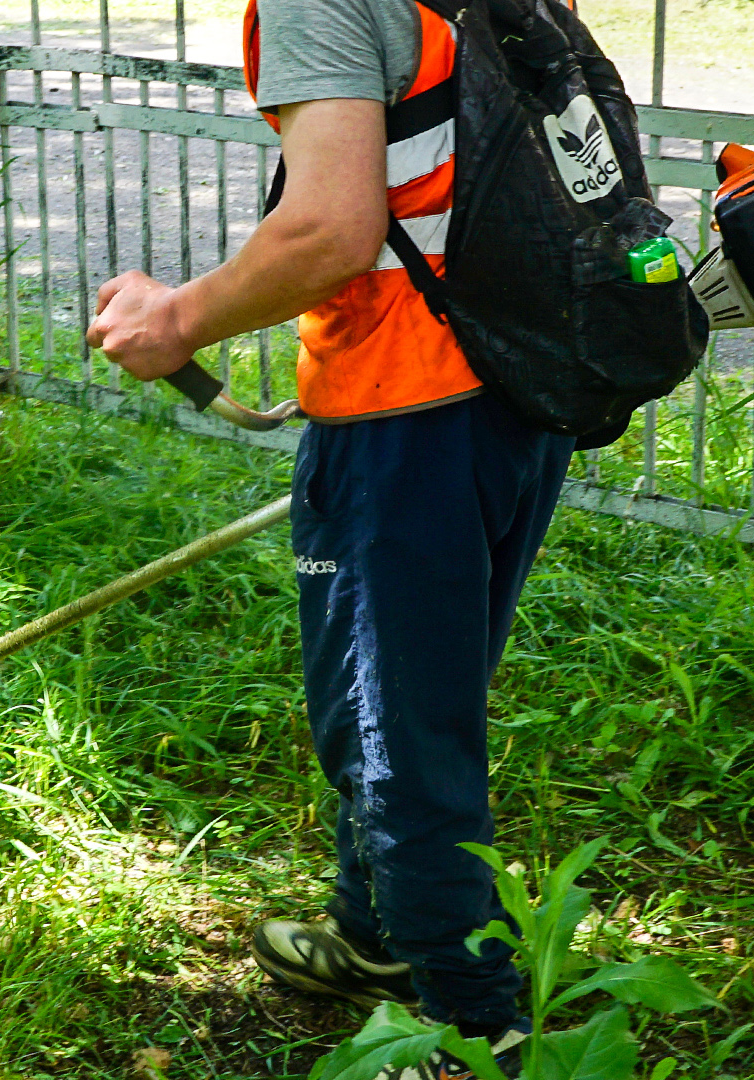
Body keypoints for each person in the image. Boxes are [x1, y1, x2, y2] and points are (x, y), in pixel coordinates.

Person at [84, 0, 576, 1074]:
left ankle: (473, 1025)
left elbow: (330, 230)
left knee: (393, 735)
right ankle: (373, 938)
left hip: (405, 416)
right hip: (519, 386)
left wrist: (175, 320)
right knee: (413, 699)